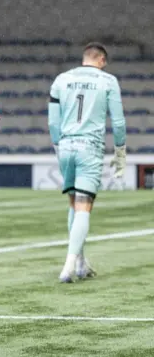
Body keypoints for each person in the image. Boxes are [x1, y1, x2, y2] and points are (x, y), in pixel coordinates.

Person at [48, 42, 126, 283]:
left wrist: (58, 147)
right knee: (84, 206)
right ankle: (69, 265)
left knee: (73, 202)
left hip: (66, 145)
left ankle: (81, 263)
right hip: (89, 147)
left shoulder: (62, 79)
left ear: (85, 58)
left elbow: (53, 122)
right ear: (101, 60)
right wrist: (120, 153)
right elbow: (119, 122)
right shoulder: (108, 81)